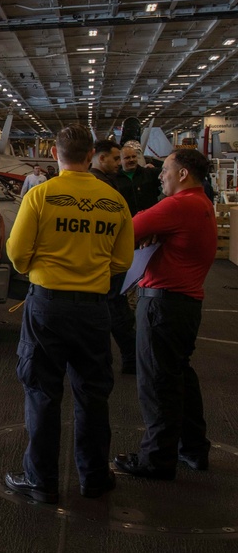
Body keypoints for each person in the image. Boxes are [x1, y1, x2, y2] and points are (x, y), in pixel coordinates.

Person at [4, 124, 134, 503]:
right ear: (91, 155)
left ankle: (41, 481)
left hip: (47, 305)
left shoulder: (41, 196)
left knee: (43, 392)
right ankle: (94, 477)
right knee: (93, 394)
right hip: (93, 309)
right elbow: (122, 260)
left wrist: (41, 268)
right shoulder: (114, 202)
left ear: (56, 155)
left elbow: (16, 254)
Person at [114, 149, 217, 480]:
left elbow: (128, 229)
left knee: (157, 383)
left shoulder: (178, 205)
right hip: (185, 304)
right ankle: (193, 448)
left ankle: (156, 460)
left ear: (183, 174)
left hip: (162, 305)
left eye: (166, 170)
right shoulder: (201, 204)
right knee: (178, 377)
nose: (160, 175)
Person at [91, 140, 136, 373]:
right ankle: (128, 357)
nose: (121, 163)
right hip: (105, 262)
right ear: (101, 158)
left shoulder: (108, 182)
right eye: (116, 158)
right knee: (115, 310)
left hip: (106, 261)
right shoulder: (101, 186)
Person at [116, 142, 160, 215]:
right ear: (120, 161)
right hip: (128, 220)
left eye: (134, 156)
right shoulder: (114, 179)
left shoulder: (150, 173)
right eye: (127, 158)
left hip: (150, 219)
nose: (131, 160)